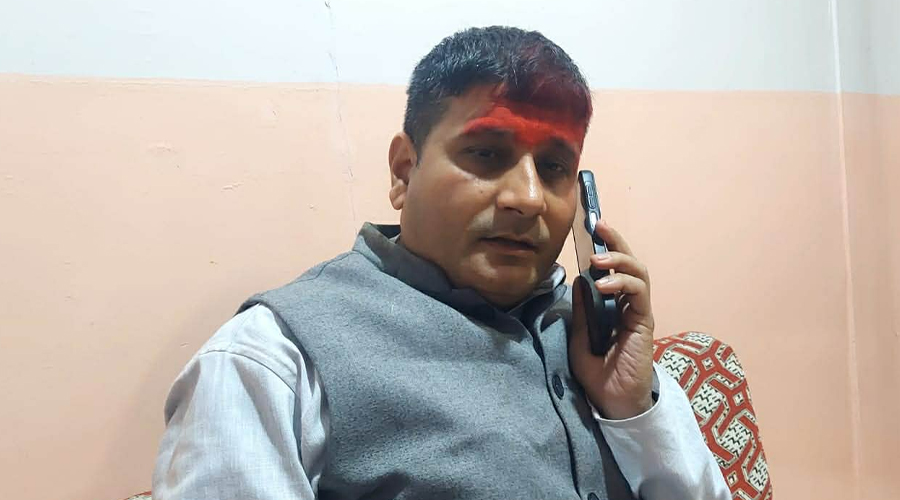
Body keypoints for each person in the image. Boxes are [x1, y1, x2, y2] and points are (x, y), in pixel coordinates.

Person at [153, 26, 730, 500]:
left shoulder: (595, 334)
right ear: (404, 171)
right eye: (486, 154)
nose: (528, 198)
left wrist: (630, 409)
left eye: (554, 167)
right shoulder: (270, 360)